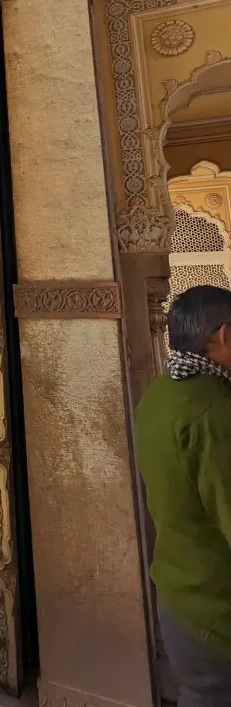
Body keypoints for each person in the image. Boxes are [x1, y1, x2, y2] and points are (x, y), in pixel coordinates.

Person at [135, 284, 231, 706]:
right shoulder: (212, 412)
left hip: (179, 596)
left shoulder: (160, 396)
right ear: (224, 336)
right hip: (216, 609)